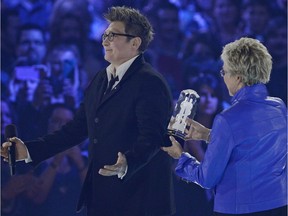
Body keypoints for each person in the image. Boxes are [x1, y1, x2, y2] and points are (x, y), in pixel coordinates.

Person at [1, 6, 175, 216]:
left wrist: (129, 162)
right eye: (105, 35)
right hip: (103, 198)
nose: (105, 40)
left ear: (135, 42)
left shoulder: (150, 82)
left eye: (113, 35)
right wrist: (29, 150)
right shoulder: (101, 79)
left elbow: (153, 137)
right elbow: (76, 129)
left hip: (141, 200)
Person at [162, 37, 287, 215]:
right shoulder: (279, 106)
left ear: (238, 76)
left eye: (224, 72)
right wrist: (208, 135)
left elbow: (206, 178)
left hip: (238, 209)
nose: (223, 77)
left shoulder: (227, 119)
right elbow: (252, 143)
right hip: (279, 204)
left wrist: (181, 157)